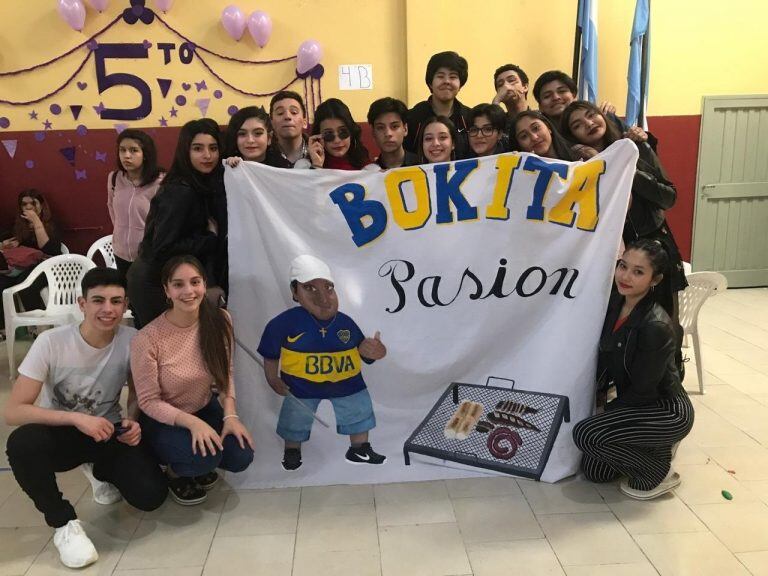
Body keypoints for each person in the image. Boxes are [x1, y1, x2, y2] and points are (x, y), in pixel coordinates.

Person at [4, 267, 167, 569]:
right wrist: (76, 419)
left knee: (151, 496)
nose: (108, 309)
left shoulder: (133, 339)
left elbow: (136, 392)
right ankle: (63, 524)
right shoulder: (51, 342)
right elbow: (13, 411)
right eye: (98, 301)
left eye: (116, 301)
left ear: (125, 304)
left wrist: (133, 420)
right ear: (82, 304)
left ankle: (99, 470)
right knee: (22, 444)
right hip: (63, 432)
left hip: (107, 431)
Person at [572, 240, 694, 500]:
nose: (625, 276)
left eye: (638, 272)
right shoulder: (615, 304)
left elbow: (643, 391)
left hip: (663, 409)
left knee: (586, 434)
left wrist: (607, 411)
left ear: (655, 279)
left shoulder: (655, 326)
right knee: (595, 472)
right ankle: (652, 449)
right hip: (636, 401)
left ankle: (661, 471)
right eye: (623, 266)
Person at [131, 255, 254, 505]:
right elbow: (148, 401)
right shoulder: (148, 338)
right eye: (178, 284)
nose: (188, 291)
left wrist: (230, 416)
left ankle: (196, 461)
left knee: (241, 455)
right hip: (163, 418)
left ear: (204, 284)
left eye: (195, 282)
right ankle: (175, 472)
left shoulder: (220, 320)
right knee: (204, 458)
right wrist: (192, 424)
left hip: (203, 406)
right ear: (166, 290)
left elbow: (225, 374)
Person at [257, 255, 387, 471]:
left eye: (328, 288)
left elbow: (365, 352)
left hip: (347, 384)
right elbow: (271, 353)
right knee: (295, 417)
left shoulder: (345, 322)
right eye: (310, 288)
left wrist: (375, 351)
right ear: (295, 292)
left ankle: (359, 448)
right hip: (301, 386)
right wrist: (272, 378)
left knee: (358, 409)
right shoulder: (284, 323)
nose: (324, 299)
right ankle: (292, 450)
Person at [560, 100, 687, 320]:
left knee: (661, 322)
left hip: (651, 246)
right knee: (614, 324)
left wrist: (622, 166)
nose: (589, 123)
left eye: (592, 115)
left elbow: (668, 197)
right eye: (578, 125)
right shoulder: (578, 165)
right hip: (606, 255)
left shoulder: (635, 146)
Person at [127, 119, 226, 329]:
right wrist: (210, 238)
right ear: (185, 151)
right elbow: (164, 247)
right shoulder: (181, 190)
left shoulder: (199, 183)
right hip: (153, 281)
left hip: (167, 277)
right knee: (162, 346)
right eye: (198, 148)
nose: (207, 155)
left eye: (213, 148)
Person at [532, 70, 654, 148]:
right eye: (547, 96)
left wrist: (640, 135)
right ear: (540, 105)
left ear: (574, 95)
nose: (556, 98)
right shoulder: (541, 135)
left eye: (562, 91)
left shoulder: (604, 116)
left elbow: (639, 143)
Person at [1, 190, 63, 334]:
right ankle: (4, 328)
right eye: (24, 204)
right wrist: (5, 244)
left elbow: (50, 249)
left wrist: (36, 221)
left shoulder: (52, 223)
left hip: (47, 265)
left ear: (41, 205)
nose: (28, 207)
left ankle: (38, 325)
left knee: (25, 282)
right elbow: (8, 241)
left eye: (33, 203)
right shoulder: (18, 224)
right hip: (21, 265)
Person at [107, 129, 164, 278]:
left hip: (149, 256)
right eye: (122, 150)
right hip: (120, 253)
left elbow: (166, 219)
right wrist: (120, 233)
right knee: (126, 297)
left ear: (145, 154)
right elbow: (111, 207)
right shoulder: (114, 178)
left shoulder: (161, 182)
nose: (127, 156)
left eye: (134, 150)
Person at [404, 51, 472, 159]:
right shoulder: (413, 117)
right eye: (440, 76)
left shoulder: (469, 118)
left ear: (460, 84)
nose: (446, 81)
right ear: (430, 83)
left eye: (453, 77)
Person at [308, 98, 371, 170]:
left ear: (351, 131)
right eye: (328, 134)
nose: (337, 140)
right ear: (318, 137)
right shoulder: (305, 165)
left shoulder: (365, 162)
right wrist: (317, 165)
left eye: (343, 132)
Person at [367, 97, 419, 169]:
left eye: (394, 126)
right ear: (373, 132)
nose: (388, 133)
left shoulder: (423, 165)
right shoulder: (369, 173)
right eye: (380, 127)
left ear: (405, 129)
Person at [266, 91, 312, 168]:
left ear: (304, 122)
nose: (287, 116)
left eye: (294, 112)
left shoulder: (319, 152)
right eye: (280, 113)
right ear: (272, 123)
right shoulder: (263, 156)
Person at [509, 110, 578, 161]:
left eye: (536, 128)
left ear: (548, 127)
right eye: (524, 136)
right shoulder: (520, 174)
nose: (534, 137)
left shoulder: (580, 154)